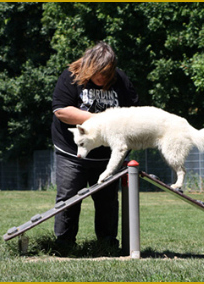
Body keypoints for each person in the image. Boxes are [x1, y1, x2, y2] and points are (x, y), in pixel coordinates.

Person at [51, 42, 139, 250]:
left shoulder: (121, 80)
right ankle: (64, 244)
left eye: (107, 74)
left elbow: (133, 114)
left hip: (107, 156)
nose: (103, 79)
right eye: (99, 73)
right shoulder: (71, 76)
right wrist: (100, 119)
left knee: (107, 202)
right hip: (72, 152)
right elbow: (61, 111)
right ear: (89, 66)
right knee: (69, 198)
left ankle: (107, 244)